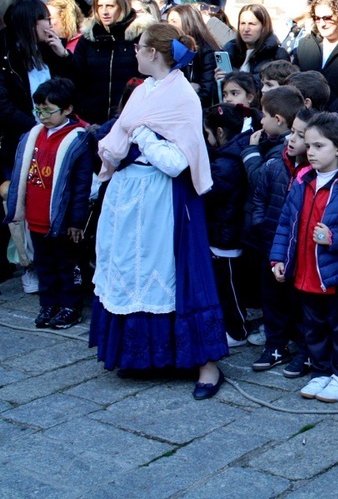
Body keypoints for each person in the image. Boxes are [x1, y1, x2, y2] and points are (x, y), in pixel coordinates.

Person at [90, 22, 228, 400]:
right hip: (128, 193)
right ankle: (141, 356)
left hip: (161, 197)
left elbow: (177, 162)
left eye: (139, 46)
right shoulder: (142, 91)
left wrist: (142, 136)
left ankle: (206, 364)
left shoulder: (182, 95)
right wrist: (123, 142)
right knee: (129, 265)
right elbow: (115, 143)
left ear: (153, 52)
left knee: (166, 270)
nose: (134, 51)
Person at [271, 112, 338, 403]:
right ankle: (321, 371)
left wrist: (334, 238)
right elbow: (285, 223)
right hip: (305, 274)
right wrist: (278, 257)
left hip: (337, 277)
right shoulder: (303, 181)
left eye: (319, 146)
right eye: (309, 145)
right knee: (312, 328)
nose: (311, 151)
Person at [4, 77, 91, 329]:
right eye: (38, 110)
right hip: (37, 217)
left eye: (48, 110)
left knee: (67, 266)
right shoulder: (33, 135)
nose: (42, 116)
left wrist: (76, 220)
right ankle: (49, 304)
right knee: (45, 266)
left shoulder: (77, 139)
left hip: (62, 221)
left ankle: (69, 307)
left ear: (67, 110)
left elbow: (81, 186)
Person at [248, 105, 313, 375]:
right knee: (272, 299)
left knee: (300, 304)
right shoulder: (275, 165)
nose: (291, 139)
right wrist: (262, 226)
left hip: (300, 253)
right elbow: (258, 199)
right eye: (292, 132)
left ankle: (306, 350)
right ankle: (276, 345)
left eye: (299, 136)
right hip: (271, 245)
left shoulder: (314, 175)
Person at [0, 0, 74, 174]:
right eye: (46, 19)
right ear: (31, 22)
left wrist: (64, 56)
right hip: (19, 141)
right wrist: (36, 127)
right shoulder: (5, 55)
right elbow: (3, 104)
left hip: (54, 135)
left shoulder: (50, 48)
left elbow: (75, 86)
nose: (50, 24)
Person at [203, 104, 251, 346]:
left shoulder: (225, 163)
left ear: (220, 132)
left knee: (229, 286)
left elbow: (211, 193)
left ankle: (237, 330)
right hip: (228, 229)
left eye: (208, 134)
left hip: (226, 233)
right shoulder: (234, 153)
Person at [73, 0, 151, 125]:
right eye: (99, 6)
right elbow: (76, 76)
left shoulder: (141, 37)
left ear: (122, 6)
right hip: (91, 119)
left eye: (110, 6)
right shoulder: (88, 39)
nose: (104, 11)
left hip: (132, 117)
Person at [221, 4, 290, 86]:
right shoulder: (230, 52)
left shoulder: (278, 55)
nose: (246, 29)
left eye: (252, 24)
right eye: (242, 23)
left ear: (264, 27)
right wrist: (219, 82)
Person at [165, 4, 219, 106]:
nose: (169, 26)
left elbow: (206, 92)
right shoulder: (168, 49)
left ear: (188, 25)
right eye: (168, 22)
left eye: (174, 22)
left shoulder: (206, 52)